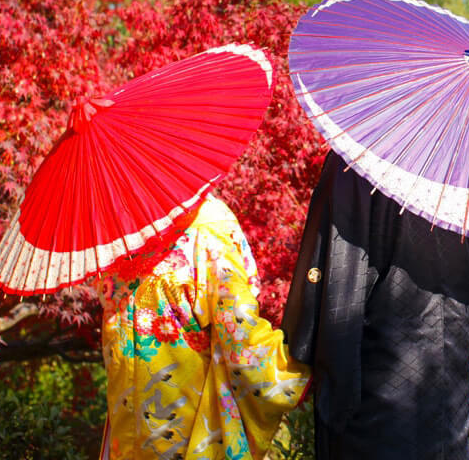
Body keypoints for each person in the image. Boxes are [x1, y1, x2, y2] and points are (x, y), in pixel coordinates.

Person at [281, 151, 469, 459]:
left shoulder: (360, 157)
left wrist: (300, 353)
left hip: (378, 397)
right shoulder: (468, 173)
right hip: (449, 398)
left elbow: (337, 283)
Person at [98, 192, 310, 460]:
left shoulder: (111, 231)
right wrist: (296, 363)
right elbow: (238, 334)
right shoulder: (208, 223)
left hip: (127, 425)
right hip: (186, 424)